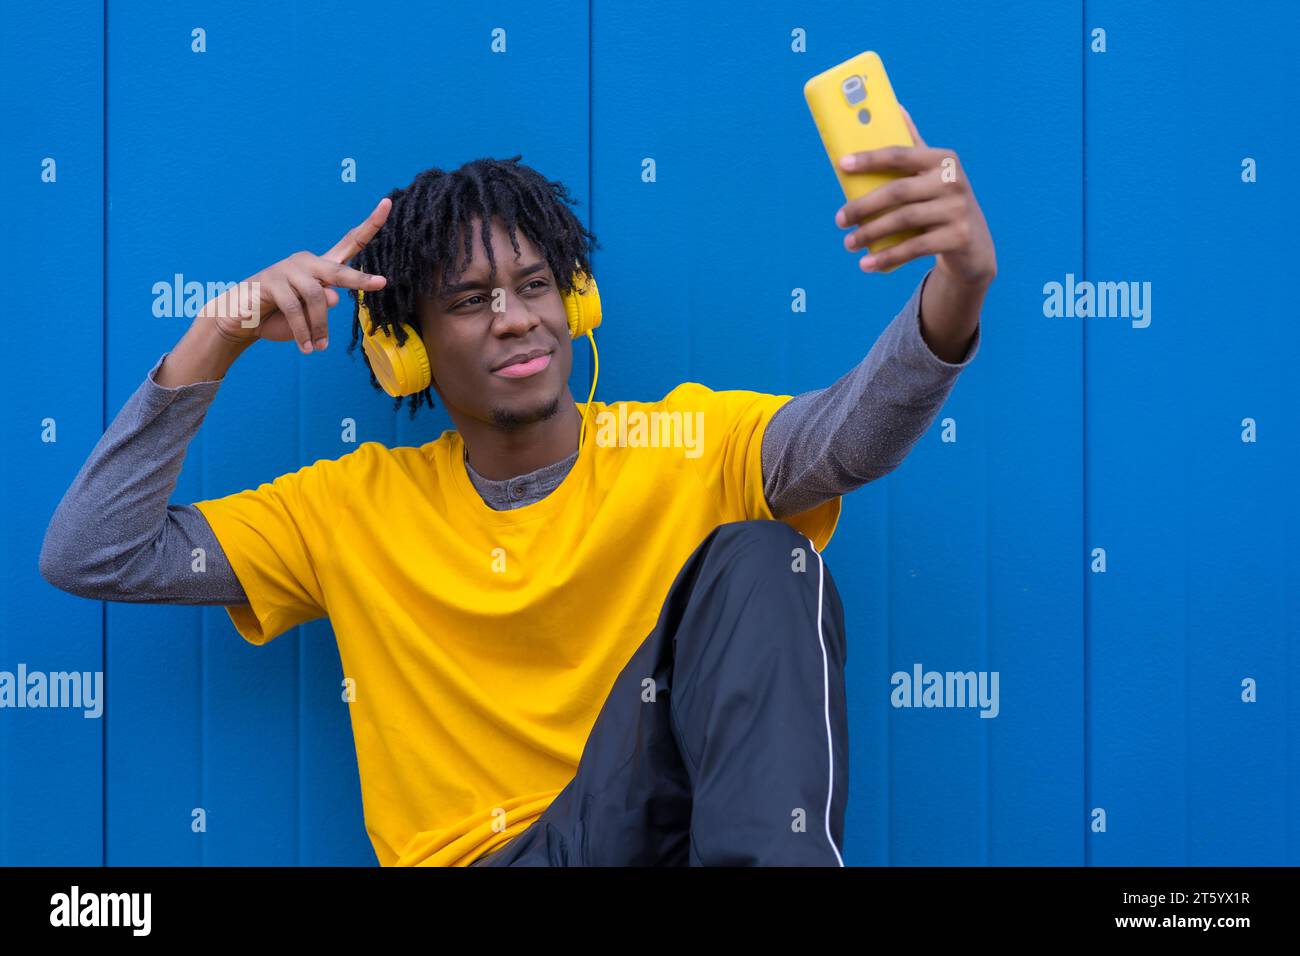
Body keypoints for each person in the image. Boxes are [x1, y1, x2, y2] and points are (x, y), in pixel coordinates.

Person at [40, 124, 993, 866]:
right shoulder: (345, 509)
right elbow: (93, 550)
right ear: (402, 350)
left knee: (764, 557)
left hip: (655, 836)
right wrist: (221, 332)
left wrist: (959, 282)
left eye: (536, 284)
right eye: (468, 300)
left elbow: (852, 437)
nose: (515, 319)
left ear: (575, 304)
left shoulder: (690, 441)